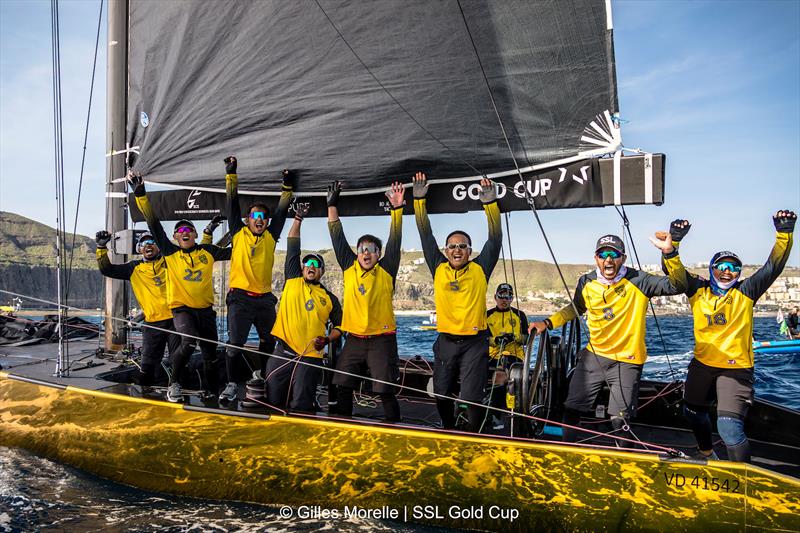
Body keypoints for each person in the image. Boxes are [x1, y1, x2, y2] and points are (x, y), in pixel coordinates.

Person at [658, 211, 795, 462]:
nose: (727, 271)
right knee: (692, 412)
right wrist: (673, 242)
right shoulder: (697, 289)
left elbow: (773, 267)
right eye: (722, 266)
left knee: (729, 428)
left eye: (733, 268)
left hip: (735, 369)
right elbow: (673, 273)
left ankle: (743, 482)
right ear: (712, 269)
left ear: (738, 273)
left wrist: (784, 233)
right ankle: (704, 452)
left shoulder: (746, 291)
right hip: (702, 365)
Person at [530, 233, 684, 445]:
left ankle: (624, 462)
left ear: (623, 258)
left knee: (619, 420)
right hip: (595, 356)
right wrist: (547, 323)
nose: (608, 259)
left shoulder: (640, 280)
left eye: (614, 254)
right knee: (571, 408)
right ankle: (567, 451)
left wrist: (670, 251)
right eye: (603, 254)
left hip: (627, 359)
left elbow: (678, 285)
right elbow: (575, 309)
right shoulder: (586, 282)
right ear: (596, 258)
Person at [129, 171, 232, 403]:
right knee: (187, 341)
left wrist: (247, 232)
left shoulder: (207, 252)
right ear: (175, 237)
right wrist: (141, 194)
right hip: (182, 310)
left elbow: (238, 250)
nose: (185, 233)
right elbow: (154, 224)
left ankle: (211, 393)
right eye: (180, 231)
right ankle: (173, 383)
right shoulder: (170, 253)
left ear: (195, 234)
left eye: (189, 230)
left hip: (206, 311)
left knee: (210, 354)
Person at [413, 172, 502, 432]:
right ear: (445, 250)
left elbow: (495, 240)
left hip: (475, 342)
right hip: (446, 342)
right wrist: (419, 200)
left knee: (472, 398)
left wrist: (490, 204)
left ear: (470, 251)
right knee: (441, 393)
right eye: (452, 246)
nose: (457, 250)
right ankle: (448, 427)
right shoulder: (438, 267)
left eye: (462, 246)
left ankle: (472, 436)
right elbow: (425, 235)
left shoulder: (480, 269)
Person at [327, 179, 405, 422]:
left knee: (384, 390)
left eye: (372, 249)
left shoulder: (387, 270)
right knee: (342, 385)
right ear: (357, 253)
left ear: (379, 254)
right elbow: (337, 236)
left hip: (382, 340)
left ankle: (394, 427)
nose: (366, 252)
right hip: (355, 340)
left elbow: (395, 240)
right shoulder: (349, 268)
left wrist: (397, 208)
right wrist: (332, 204)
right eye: (362, 248)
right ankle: (343, 424)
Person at [219, 156, 294, 403]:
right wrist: (231, 172)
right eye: (254, 215)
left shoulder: (272, 236)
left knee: (269, 340)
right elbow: (231, 203)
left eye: (263, 216)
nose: (259, 219)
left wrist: (287, 186)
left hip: (264, 300)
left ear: (266, 221)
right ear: (248, 219)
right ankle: (230, 384)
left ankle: (261, 375)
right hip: (240, 299)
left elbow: (282, 212)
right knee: (234, 344)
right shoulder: (238, 233)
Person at [266, 205, 342, 413]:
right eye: (307, 262)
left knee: (301, 405)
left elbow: (341, 327)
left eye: (316, 265)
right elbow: (292, 244)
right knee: (272, 399)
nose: (311, 266)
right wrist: (298, 218)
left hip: (310, 357)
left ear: (322, 272)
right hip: (283, 351)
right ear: (302, 267)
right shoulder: (293, 279)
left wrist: (327, 340)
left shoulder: (330, 299)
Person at [95, 231, 181, 386]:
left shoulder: (171, 263)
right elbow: (106, 270)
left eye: (152, 241)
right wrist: (101, 247)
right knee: (148, 363)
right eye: (143, 244)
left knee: (178, 360)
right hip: (153, 322)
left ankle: (178, 390)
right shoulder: (134, 268)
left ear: (159, 246)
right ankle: (145, 394)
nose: (147, 245)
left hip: (176, 319)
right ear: (139, 249)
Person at [486, 283, 528, 430]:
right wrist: (495, 340)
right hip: (493, 355)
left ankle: (497, 416)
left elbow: (526, 339)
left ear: (512, 298)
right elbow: (483, 338)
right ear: (495, 297)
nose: (504, 299)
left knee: (500, 374)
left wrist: (514, 337)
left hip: (515, 355)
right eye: (501, 296)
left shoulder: (519, 315)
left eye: (508, 296)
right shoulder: (487, 315)